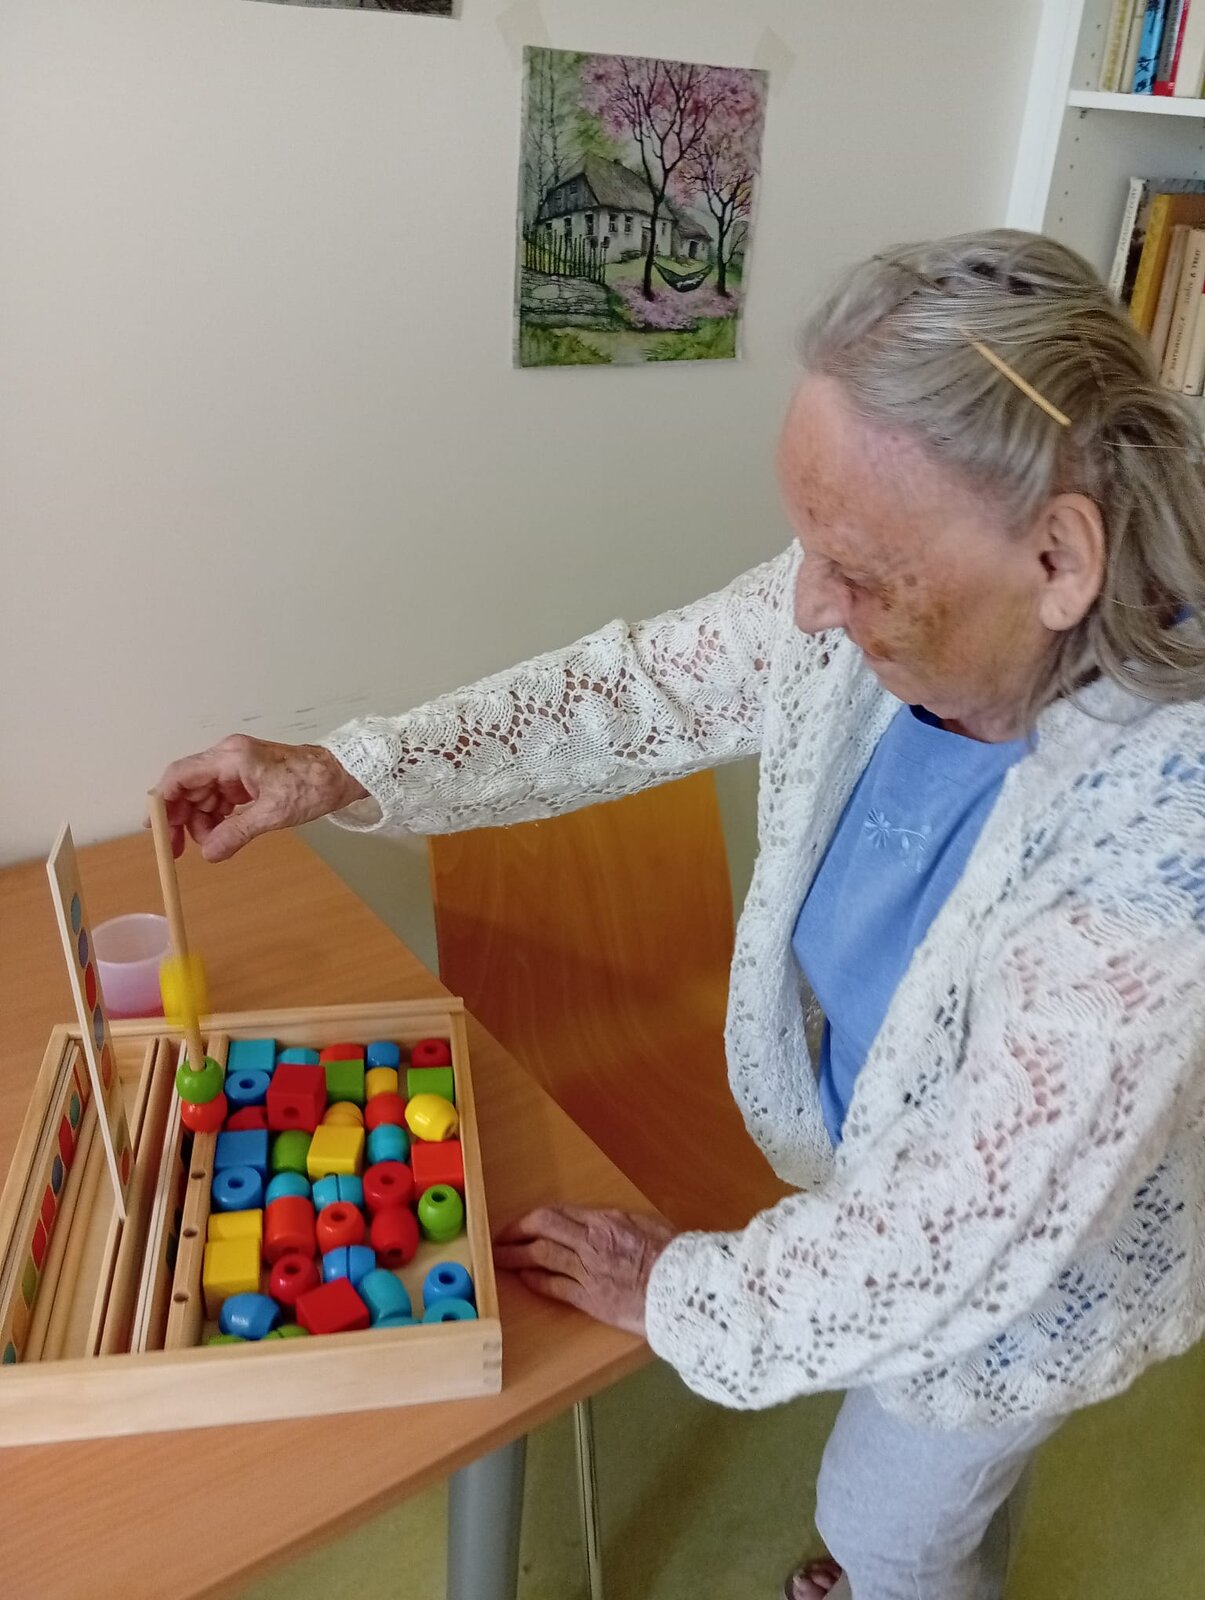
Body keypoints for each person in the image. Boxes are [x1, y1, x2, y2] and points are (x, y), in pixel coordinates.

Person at [155, 230, 1205, 1600]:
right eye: (803, 549)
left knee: (888, 1518)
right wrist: (343, 768)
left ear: (1060, 558)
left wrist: (686, 1295)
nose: (809, 609)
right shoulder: (878, 610)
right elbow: (637, 687)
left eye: (857, 570)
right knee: (928, 1507)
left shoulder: (1166, 836)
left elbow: (966, 1223)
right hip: (872, 1153)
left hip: (1039, 1257)